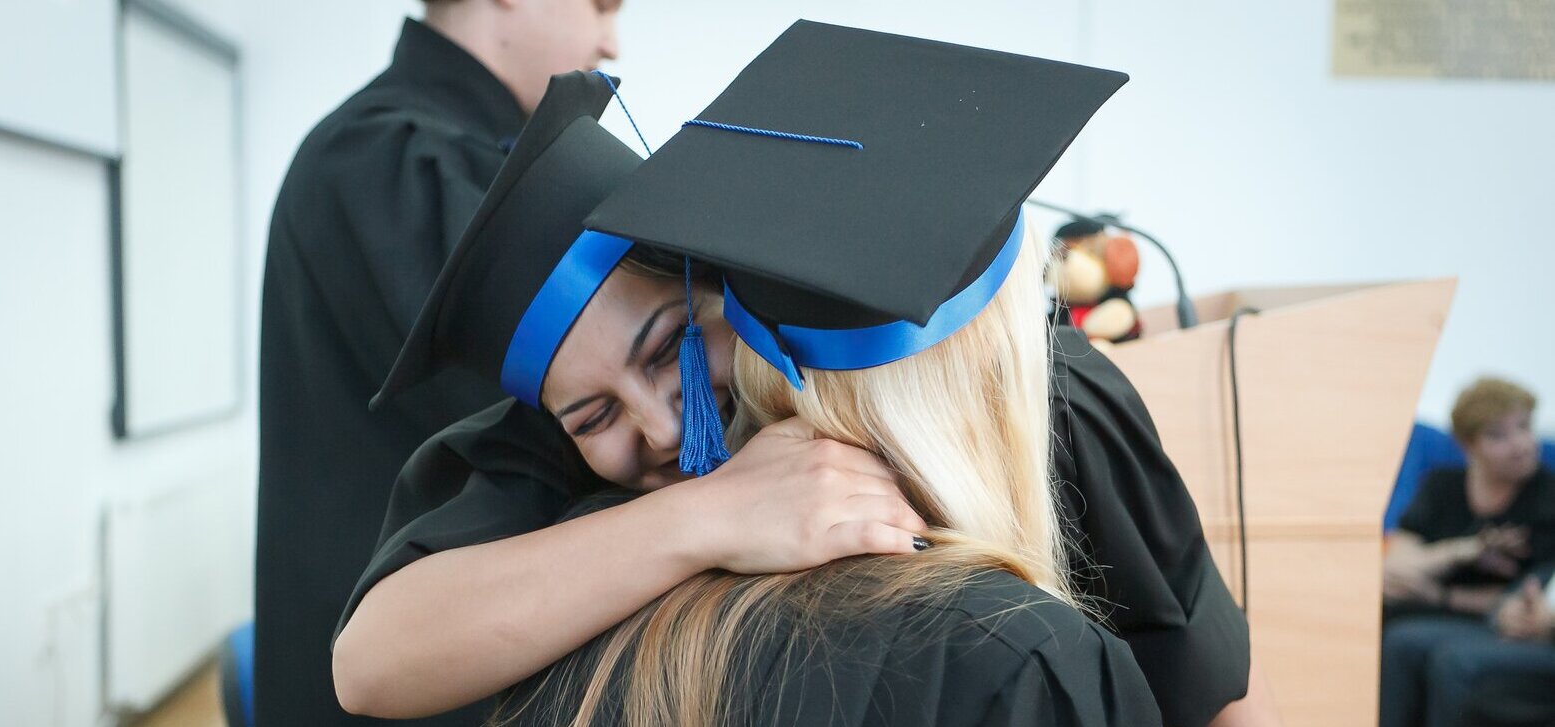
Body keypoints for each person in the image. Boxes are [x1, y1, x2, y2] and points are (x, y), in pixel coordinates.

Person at [338, 20, 1265, 726]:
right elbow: (372, 663)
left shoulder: (1049, 396)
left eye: (669, 346)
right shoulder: (558, 454)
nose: (660, 428)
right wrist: (708, 514)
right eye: (592, 416)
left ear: (729, 280)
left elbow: (1209, 688)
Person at [257, 2, 620, 724]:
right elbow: (555, 414)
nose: (611, 42)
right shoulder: (385, 158)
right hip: (405, 676)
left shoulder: (440, 156)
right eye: (602, 4)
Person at [1380, 376, 1555, 727]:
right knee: (1399, 640)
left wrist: (1437, 592)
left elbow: (1522, 598)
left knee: (1451, 659)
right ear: (1467, 444)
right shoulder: (1442, 485)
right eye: (1498, 435)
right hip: (1445, 612)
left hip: (1504, 622)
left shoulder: (1546, 497)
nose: (1520, 444)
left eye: (1524, 427)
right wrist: (1461, 551)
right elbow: (1394, 567)